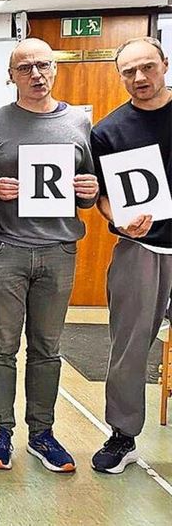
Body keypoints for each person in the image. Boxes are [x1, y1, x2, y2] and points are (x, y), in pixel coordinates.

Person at [0, 38, 99, 473]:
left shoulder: (79, 123)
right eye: (26, 68)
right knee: (2, 345)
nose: (36, 74)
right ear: (11, 75)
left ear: (55, 69)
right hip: (5, 250)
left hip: (59, 249)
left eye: (43, 65)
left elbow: (89, 184)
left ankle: (42, 432)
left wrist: (90, 191)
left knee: (47, 347)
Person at [89, 37, 172, 474]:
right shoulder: (108, 131)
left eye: (147, 67)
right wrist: (118, 220)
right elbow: (103, 195)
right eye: (128, 72)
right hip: (142, 247)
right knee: (129, 345)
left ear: (164, 64)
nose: (139, 78)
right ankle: (123, 436)